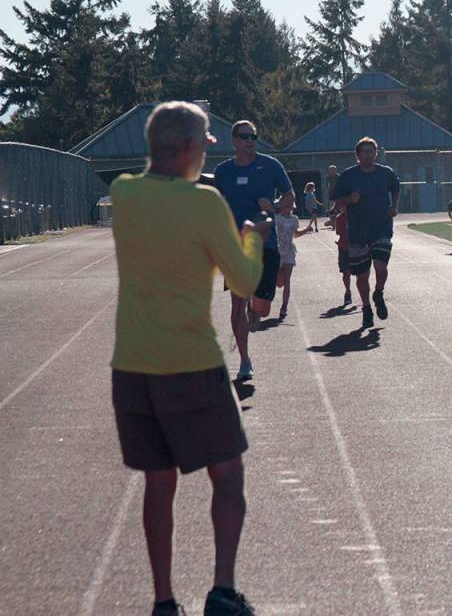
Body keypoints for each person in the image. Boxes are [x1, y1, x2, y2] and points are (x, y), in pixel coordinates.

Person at [111, 101, 266, 616]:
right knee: (229, 473)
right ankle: (222, 591)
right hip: (190, 362)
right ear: (187, 150)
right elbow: (243, 281)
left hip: (132, 366)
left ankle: (163, 601)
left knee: (159, 482)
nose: (205, 155)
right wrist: (254, 238)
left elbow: (143, 179)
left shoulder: (123, 196)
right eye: (202, 145)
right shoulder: (205, 203)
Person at [213, 120, 294, 381]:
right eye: (244, 136)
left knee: (261, 309)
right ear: (234, 140)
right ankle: (245, 361)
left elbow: (289, 197)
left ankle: (254, 307)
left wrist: (273, 205)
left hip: (266, 245)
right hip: (236, 246)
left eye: (254, 136)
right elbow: (214, 205)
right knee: (237, 305)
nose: (250, 140)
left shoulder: (270, 165)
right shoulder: (223, 171)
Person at [330, 137, 400, 329]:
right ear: (358, 155)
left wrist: (394, 206)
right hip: (358, 231)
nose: (368, 154)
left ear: (376, 153)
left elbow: (396, 188)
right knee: (361, 276)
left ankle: (379, 292)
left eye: (371, 151)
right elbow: (337, 202)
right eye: (364, 151)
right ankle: (367, 307)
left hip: (382, 227)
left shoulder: (386, 173)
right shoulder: (348, 176)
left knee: (381, 266)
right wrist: (350, 199)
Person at [274, 195, 313, 319]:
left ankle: (284, 307)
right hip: (277, 252)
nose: (289, 208)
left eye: (291, 206)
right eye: (286, 206)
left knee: (287, 281)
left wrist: (306, 230)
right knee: (278, 282)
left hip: (289, 251)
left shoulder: (294, 219)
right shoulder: (276, 218)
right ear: (281, 206)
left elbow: (295, 234)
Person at [334, 203, 353, 306]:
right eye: (342, 206)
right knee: (346, 272)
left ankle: (364, 294)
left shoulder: (356, 215)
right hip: (344, 248)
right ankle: (348, 292)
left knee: (360, 273)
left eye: (346, 205)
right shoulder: (339, 218)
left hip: (356, 247)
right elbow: (339, 232)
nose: (344, 208)